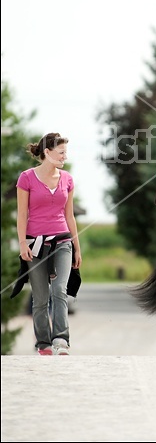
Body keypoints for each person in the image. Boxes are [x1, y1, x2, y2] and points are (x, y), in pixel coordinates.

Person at [16, 132, 82, 355]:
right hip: (35, 244)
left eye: (66, 152)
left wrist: (77, 248)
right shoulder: (26, 178)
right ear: (47, 152)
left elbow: (70, 215)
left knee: (60, 290)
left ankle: (61, 340)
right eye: (61, 152)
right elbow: (21, 215)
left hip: (63, 240)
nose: (65, 156)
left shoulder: (67, 179)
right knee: (40, 297)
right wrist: (22, 242)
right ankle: (43, 343)